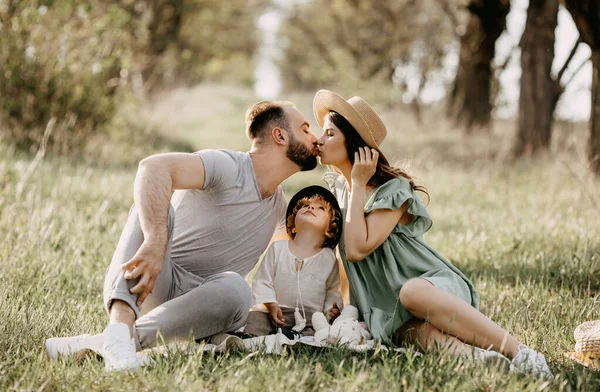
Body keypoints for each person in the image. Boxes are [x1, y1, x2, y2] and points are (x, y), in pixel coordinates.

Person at [45, 100, 320, 371]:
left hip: (201, 310)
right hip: (152, 283)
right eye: (306, 129)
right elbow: (152, 168)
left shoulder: (279, 208)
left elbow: (310, 251)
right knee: (156, 210)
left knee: (238, 290)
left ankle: (114, 340)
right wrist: (154, 241)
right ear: (280, 135)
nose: (315, 137)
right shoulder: (227, 166)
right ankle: (119, 328)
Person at [312, 89, 553, 379]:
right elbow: (344, 261)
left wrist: (359, 183)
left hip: (431, 289)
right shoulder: (340, 195)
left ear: (354, 144)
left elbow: (357, 249)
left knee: (411, 293)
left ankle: (522, 353)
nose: (319, 140)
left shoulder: (392, 190)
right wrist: (338, 303)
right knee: (414, 335)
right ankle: (487, 364)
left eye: (329, 134)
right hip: (391, 311)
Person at [244, 185, 343, 338]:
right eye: (304, 206)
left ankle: (301, 340)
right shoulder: (278, 248)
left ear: (329, 231)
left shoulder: (328, 258)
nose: (310, 207)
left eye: (320, 208)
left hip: (310, 316)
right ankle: (252, 338)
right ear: (293, 225)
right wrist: (270, 303)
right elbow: (263, 280)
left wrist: (331, 309)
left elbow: (332, 291)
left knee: (317, 329)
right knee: (255, 318)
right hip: (275, 311)